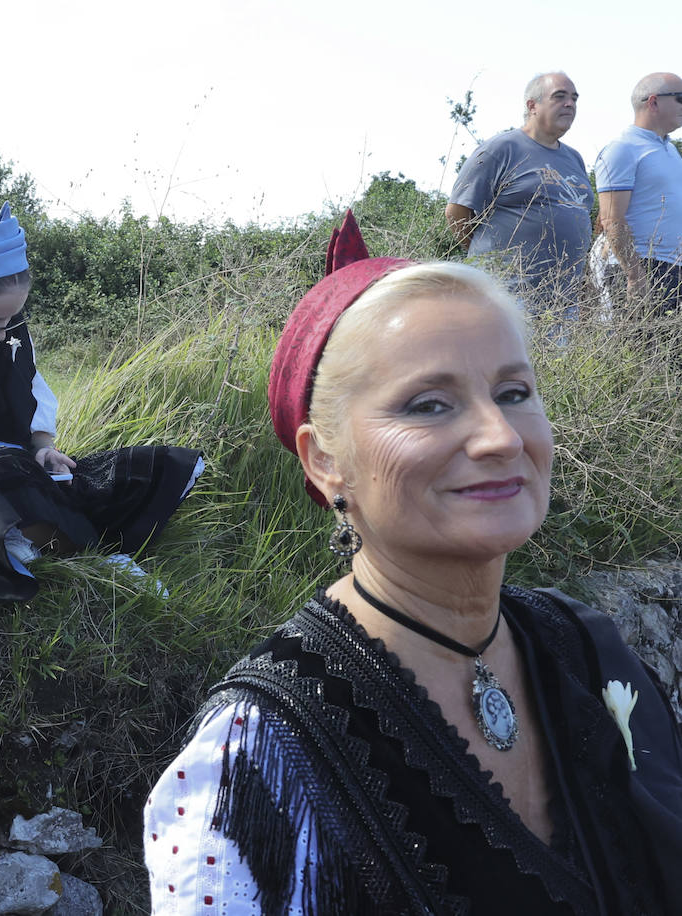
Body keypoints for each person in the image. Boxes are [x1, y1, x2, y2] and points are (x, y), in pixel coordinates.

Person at [143, 212, 682, 915]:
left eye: (514, 393)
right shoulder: (260, 757)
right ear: (324, 459)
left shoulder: (584, 645)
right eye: (430, 405)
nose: (498, 437)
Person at [0, 188, 204, 608]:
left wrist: (43, 447)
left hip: (9, 457)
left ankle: (75, 543)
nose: (3, 330)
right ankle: (85, 556)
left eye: (11, 318)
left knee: (125, 471)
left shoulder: (5, 325)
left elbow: (30, 388)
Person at [445, 72, 592, 316]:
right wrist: (490, 261)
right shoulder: (501, 149)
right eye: (559, 96)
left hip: (563, 299)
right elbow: (457, 212)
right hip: (508, 296)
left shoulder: (574, 158)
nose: (570, 104)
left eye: (574, 98)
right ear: (532, 105)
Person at [596, 72, 682, 321]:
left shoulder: (669, 149)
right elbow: (612, 218)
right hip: (644, 267)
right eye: (680, 98)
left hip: (672, 269)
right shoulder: (623, 148)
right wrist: (634, 275)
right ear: (653, 102)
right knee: (642, 355)